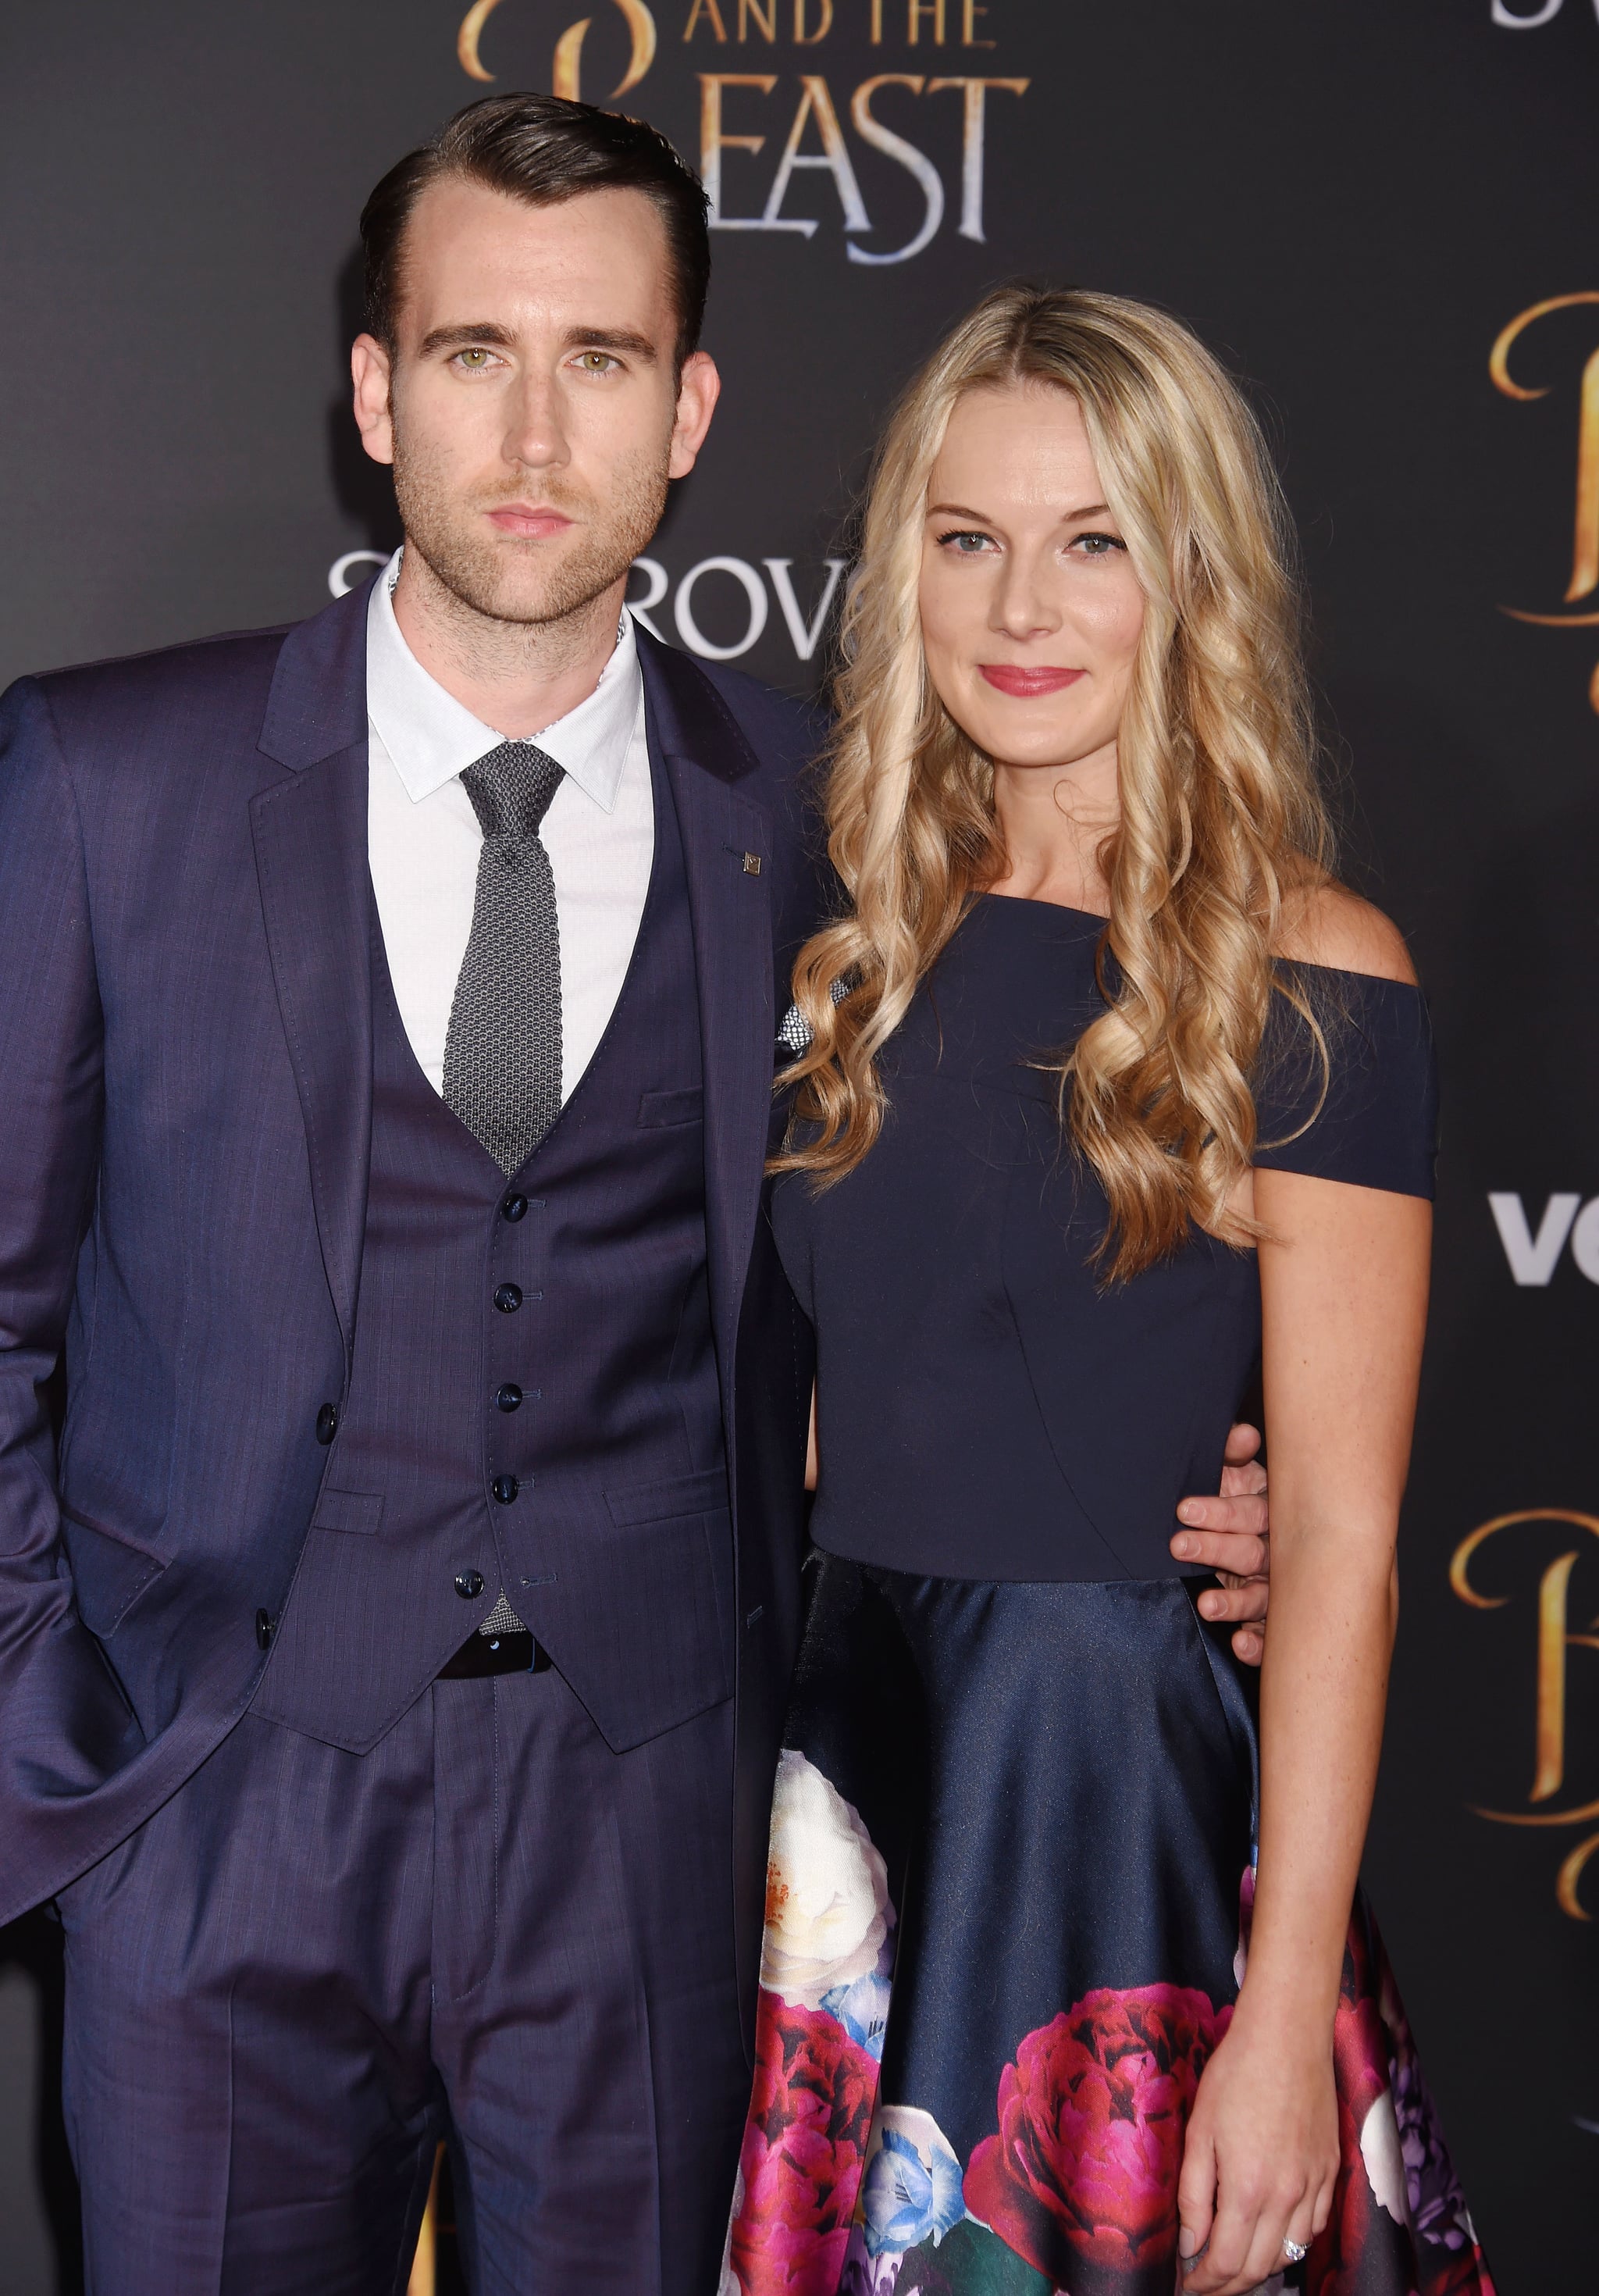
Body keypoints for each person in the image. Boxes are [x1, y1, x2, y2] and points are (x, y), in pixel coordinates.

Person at [0, 99, 1273, 2296]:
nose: (531, 426)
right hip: (219, 1821)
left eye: (598, 360)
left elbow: (972, 1261)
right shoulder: (108, 782)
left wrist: (1202, 1487)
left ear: (683, 411)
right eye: (474, 350)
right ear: (378, 391)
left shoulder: (835, 814)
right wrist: (81, 1770)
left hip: (658, 1826)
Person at [724, 287, 1493, 2296]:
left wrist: (1279, 2012)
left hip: (1115, 1799)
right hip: (833, 1792)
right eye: (967, 538)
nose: (1019, 606)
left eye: (1095, 543)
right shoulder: (842, 938)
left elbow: (1331, 1532)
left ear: (1192, 578)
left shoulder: (1311, 973)